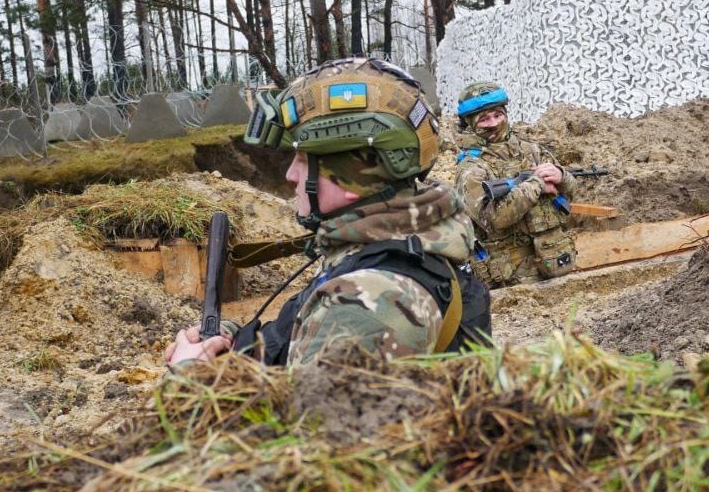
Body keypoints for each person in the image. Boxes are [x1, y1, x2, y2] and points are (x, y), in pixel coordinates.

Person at [166, 58, 491, 367]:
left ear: (354, 175)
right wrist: (234, 345)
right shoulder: (396, 244)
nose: (291, 175)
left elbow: (313, 408)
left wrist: (190, 375)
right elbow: (303, 351)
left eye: (303, 160)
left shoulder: (367, 303)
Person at [452, 82, 578, 288]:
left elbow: (570, 194)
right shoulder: (471, 168)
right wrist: (536, 184)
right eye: (484, 119)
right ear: (470, 124)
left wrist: (563, 177)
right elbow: (493, 218)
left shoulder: (531, 150)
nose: (494, 123)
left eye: (498, 115)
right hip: (512, 279)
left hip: (554, 259)